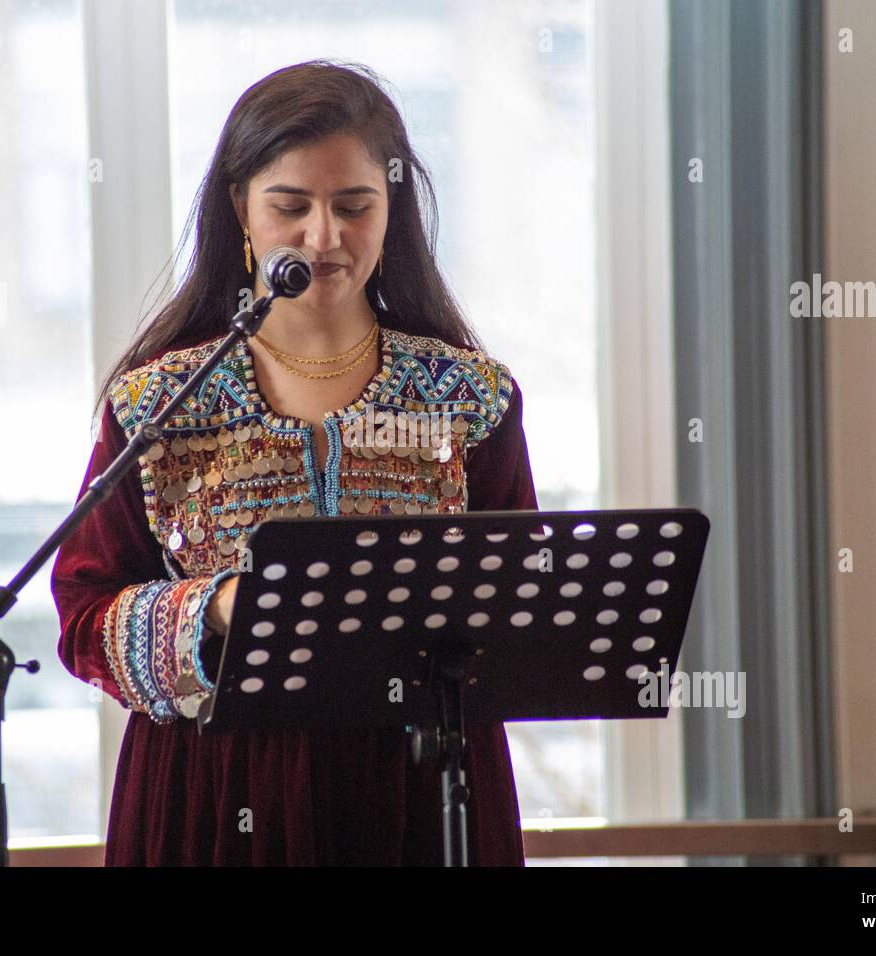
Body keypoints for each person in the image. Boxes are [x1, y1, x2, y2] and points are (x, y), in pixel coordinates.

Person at [51, 59, 539, 866]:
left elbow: (518, 598)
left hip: (421, 785)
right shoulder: (161, 402)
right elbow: (84, 616)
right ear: (241, 212)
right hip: (213, 791)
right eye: (291, 206)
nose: (325, 236)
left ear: (392, 216)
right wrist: (216, 607)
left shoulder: (470, 397)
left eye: (355, 206)